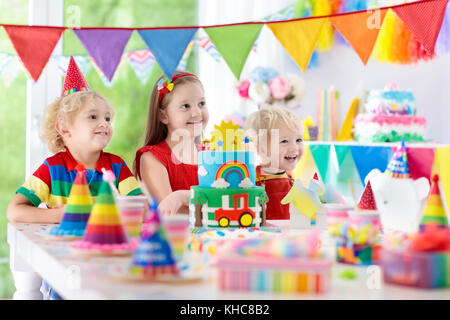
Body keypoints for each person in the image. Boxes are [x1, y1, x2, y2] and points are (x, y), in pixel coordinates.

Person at [7, 57, 141, 225]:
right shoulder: (52, 169)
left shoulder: (117, 166)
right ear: (64, 129)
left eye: (107, 118)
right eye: (93, 116)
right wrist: (59, 216)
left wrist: (94, 211)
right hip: (60, 249)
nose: (104, 123)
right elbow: (14, 210)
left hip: (105, 246)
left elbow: (142, 209)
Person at [134, 71, 209, 215]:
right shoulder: (152, 158)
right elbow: (171, 214)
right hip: (178, 236)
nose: (197, 113)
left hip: (217, 236)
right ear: (163, 115)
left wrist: (184, 197)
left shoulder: (211, 154)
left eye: (201, 103)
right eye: (186, 106)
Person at [244, 106, 304, 220]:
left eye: (298, 140)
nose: (294, 147)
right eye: (284, 141)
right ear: (261, 148)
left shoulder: (288, 176)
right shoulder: (251, 180)